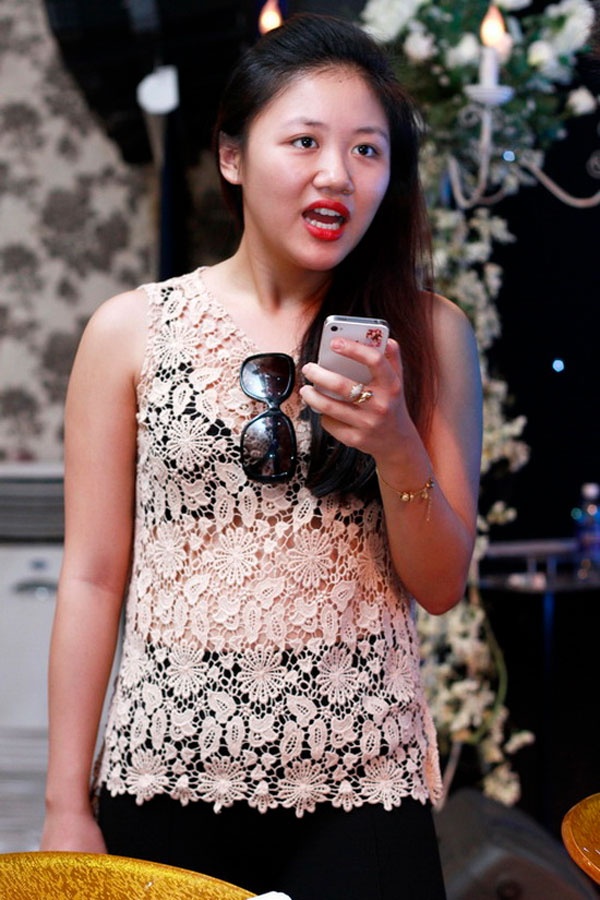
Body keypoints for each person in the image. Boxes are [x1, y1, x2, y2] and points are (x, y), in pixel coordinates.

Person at [40, 12, 482, 900]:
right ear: (233, 156)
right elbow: (91, 577)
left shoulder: (430, 334)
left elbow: (440, 587)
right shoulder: (130, 330)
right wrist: (65, 803)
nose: (337, 174)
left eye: (367, 150)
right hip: (163, 777)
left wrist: (396, 447)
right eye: (306, 141)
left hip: (362, 787)